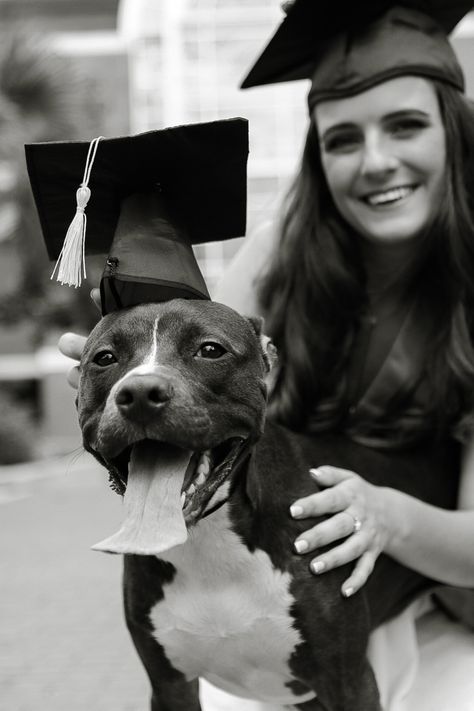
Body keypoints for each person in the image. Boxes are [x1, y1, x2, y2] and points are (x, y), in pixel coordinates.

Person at [57, 1, 474, 708]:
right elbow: (202, 352)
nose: (376, 161)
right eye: (342, 138)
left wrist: (384, 514)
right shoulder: (287, 248)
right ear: (319, 155)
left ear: (457, 136)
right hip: (275, 559)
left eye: (405, 124)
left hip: (441, 591)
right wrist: (120, 363)